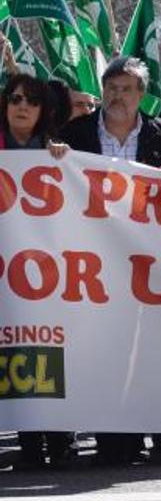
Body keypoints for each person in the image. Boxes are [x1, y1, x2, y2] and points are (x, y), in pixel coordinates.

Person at [58, 57, 161, 465]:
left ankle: (147, 430)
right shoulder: (74, 135)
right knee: (104, 348)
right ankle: (113, 442)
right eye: (111, 88)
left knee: (145, 348)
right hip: (93, 261)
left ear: (141, 95)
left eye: (127, 89)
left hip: (147, 259)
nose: (117, 96)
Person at [1, 75, 74, 470]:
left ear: (44, 109)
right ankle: (29, 444)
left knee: (51, 353)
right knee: (14, 354)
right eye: (14, 99)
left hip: (48, 273)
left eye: (30, 100)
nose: (21, 106)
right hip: (7, 275)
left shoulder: (58, 154)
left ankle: (60, 438)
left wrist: (62, 159)